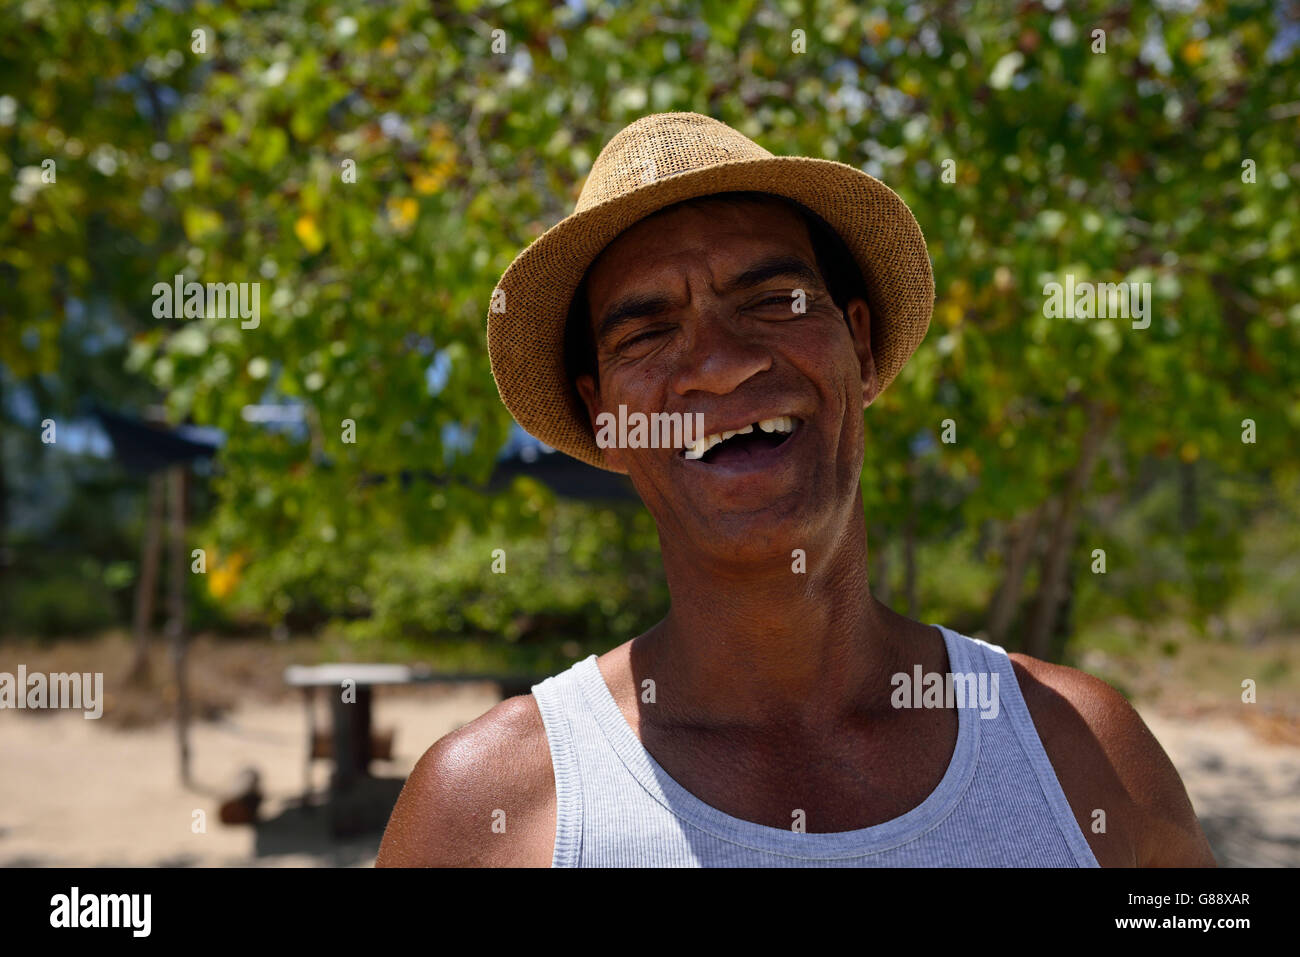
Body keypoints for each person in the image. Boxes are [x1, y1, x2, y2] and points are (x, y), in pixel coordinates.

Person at [377, 112, 1215, 867]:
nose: (720, 361)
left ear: (859, 341)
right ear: (605, 419)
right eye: (648, 330)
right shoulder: (485, 811)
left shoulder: (1083, 755)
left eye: (775, 300)